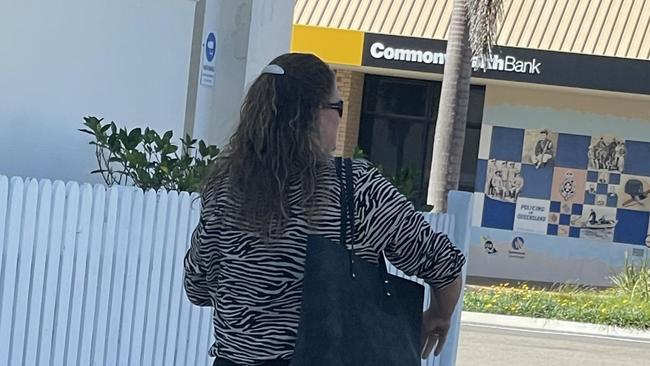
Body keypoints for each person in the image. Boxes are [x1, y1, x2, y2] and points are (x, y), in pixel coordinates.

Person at [183, 53, 466, 366]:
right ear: (315, 114)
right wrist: (438, 316)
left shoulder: (225, 188)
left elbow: (197, 287)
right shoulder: (356, 188)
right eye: (338, 107)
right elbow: (444, 264)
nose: (340, 118)